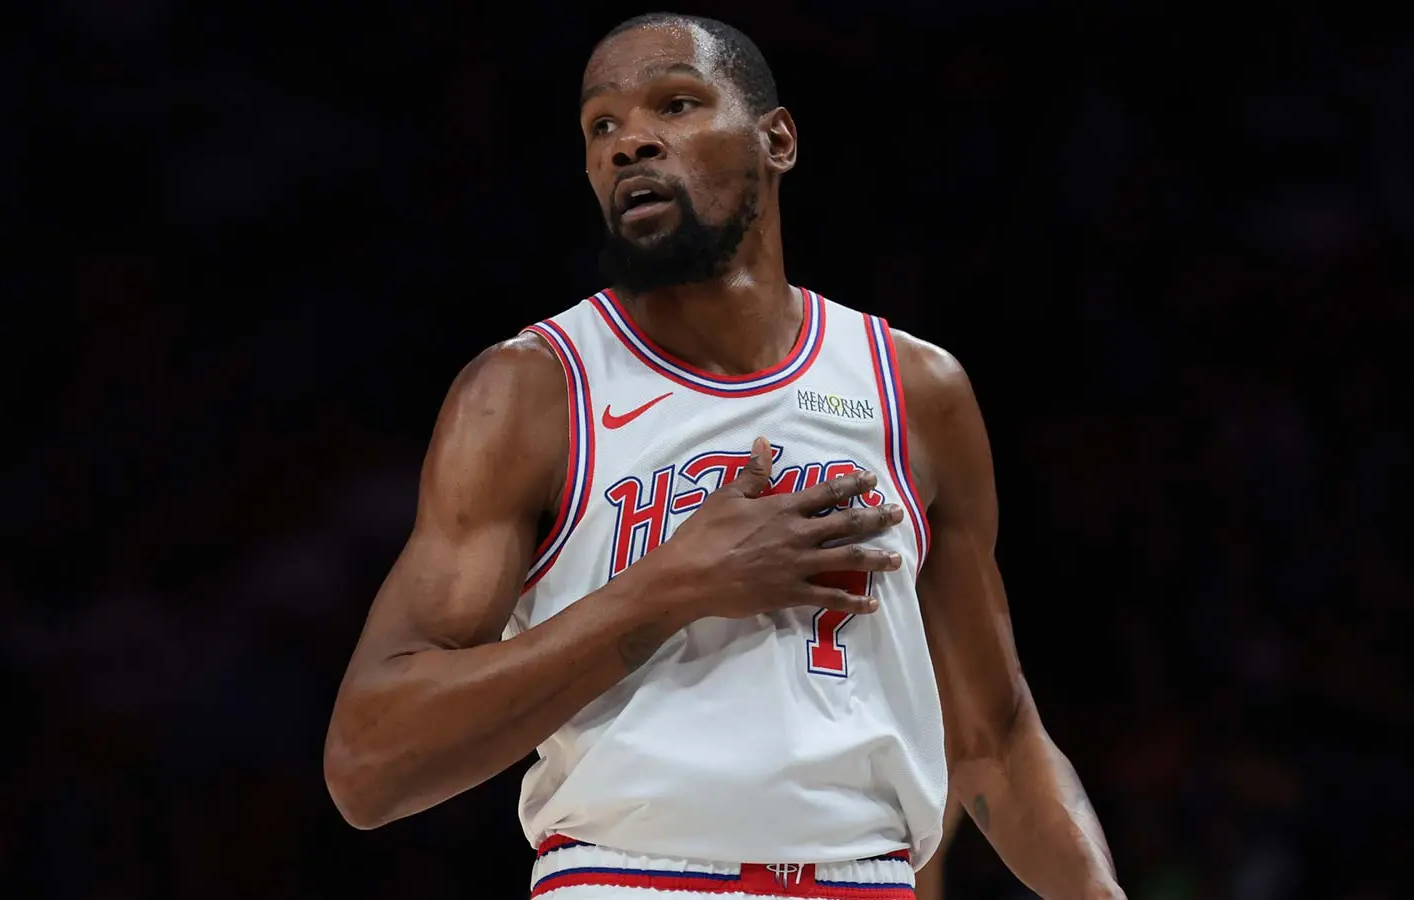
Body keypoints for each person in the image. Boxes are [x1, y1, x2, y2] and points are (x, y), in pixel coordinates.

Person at [324, 13, 1124, 900]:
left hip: (866, 878)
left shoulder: (915, 390)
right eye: (601, 125)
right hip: (627, 876)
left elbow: (996, 743)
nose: (629, 142)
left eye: (675, 104)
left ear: (777, 140)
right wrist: (671, 588)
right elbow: (369, 762)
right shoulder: (530, 392)